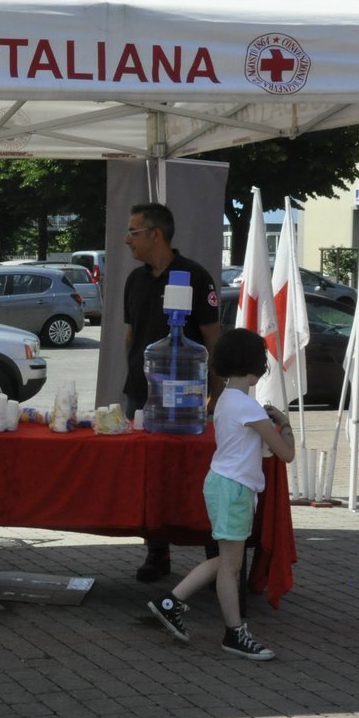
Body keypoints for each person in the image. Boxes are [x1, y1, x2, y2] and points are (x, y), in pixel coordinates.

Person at [144, 329, 293, 660]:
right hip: (235, 490)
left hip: (224, 484)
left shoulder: (226, 399)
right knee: (231, 567)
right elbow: (285, 453)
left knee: (227, 560)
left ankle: (170, 602)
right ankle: (233, 631)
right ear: (256, 367)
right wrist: (284, 422)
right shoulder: (250, 408)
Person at [122, 202, 222, 583]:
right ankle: (156, 552)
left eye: (133, 232)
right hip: (142, 397)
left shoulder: (194, 276)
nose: (126, 239)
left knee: (197, 474)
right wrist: (133, 380)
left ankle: (214, 553)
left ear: (155, 234)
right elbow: (131, 336)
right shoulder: (135, 279)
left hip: (187, 402)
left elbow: (213, 340)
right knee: (152, 476)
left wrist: (215, 396)